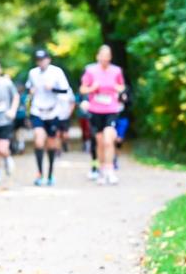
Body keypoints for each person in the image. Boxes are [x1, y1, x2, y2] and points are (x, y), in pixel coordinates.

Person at [24, 49, 72, 186]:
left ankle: (50, 173)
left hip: (53, 111)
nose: (41, 62)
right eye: (38, 60)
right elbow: (28, 89)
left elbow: (66, 90)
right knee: (39, 140)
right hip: (37, 110)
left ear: (48, 59)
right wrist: (30, 91)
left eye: (43, 59)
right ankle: (39, 173)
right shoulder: (32, 73)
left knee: (51, 144)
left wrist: (53, 89)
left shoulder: (56, 72)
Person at [80, 44, 125, 185]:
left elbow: (122, 86)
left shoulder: (116, 71)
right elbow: (82, 89)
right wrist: (93, 88)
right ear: (98, 56)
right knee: (99, 142)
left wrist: (117, 89)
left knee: (108, 139)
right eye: (102, 56)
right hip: (95, 110)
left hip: (111, 109)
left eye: (108, 56)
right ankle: (101, 170)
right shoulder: (90, 70)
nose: (105, 59)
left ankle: (110, 170)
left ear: (110, 57)